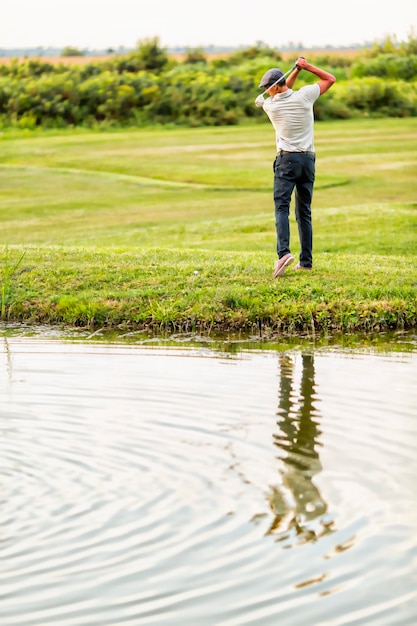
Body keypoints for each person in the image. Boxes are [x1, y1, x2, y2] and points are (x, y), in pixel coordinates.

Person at [255, 58, 336, 277]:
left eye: (267, 87)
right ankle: (306, 262)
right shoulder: (306, 96)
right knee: (304, 212)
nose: (266, 91)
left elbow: (283, 90)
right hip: (308, 160)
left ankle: (283, 253)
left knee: (281, 207)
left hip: (286, 161)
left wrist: (297, 71)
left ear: (274, 86)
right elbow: (330, 78)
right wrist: (304, 68)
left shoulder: (269, 105)